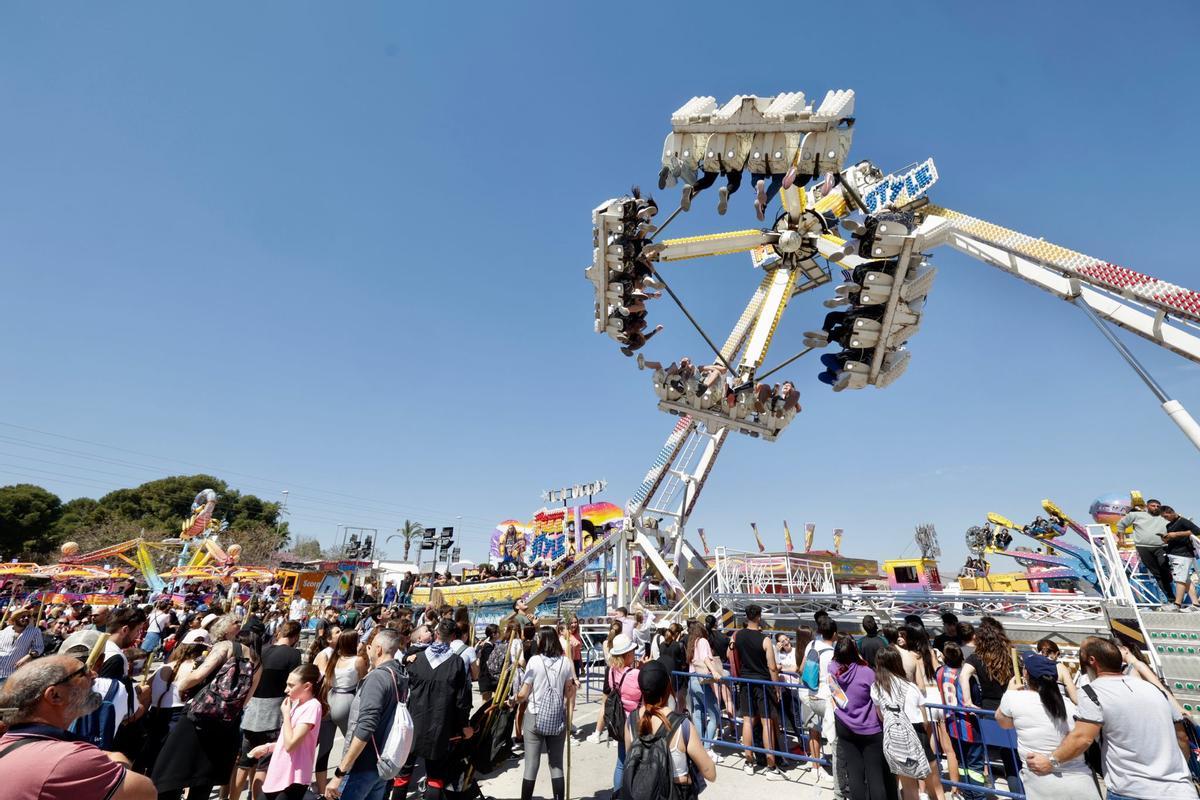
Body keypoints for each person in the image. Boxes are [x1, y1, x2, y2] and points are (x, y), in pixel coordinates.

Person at [1025, 636, 1195, 799]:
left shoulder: (1092, 693)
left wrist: (1051, 761)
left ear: (1092, 661)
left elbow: (1082, 738)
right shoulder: (1155, 690)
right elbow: (1182, 737)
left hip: (1132, 790)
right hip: (1180, 789)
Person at [0, 655, 157, 800]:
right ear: (55, 695)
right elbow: (145, 792)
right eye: (83, 672)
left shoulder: (8, 742)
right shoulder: (68, 759)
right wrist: (118, 759)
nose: (94, 675)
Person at [152, 614, 262, 800]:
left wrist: (181, 684)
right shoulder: (258, 661)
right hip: (227, 723)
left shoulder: (224, 647)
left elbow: (197, 677)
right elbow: (245, 700)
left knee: (169, 772)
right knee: (203, 780)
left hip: (199, 717)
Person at [996, 652, 1099, 800]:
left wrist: (1009, 691)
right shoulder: (1070, 706)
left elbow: (1003, 722)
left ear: (1026, 674)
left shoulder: (1013, 698)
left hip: (1041, 784)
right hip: (1081, 782)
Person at [325, 627, 406, 800]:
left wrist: (340, 773)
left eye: (371, 646)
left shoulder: (377, 678)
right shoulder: (399, 674)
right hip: (383, 761)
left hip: (364, 764)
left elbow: (365, 727)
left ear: (378, 649)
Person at [622, 660, 717, 798]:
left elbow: (630, 761)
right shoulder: (682, 725)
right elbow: (710, 773)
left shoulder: (631, 721)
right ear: (667, 687)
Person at [400, 619, 473, 800]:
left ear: (437, 634)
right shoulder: (456, 663)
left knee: (403, 773)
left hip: (413, 723)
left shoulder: (417, 659)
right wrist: (464, 725)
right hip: (439, 725)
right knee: (435, 775)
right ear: (454, 637)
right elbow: (461, 700)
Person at [233, 619, 303, 800]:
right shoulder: (294, 655)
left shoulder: (261, 650)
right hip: (274, 713)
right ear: (295, 636)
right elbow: (293, 685)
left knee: (244, 763)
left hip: (252, 710)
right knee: (264, 765)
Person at [511, 628, 577, 800]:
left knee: (531, 764)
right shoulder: (565, 662)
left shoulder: (534, 661)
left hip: (534, 714)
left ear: (542, 641)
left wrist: (513, 699)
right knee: (556, 764)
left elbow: (524, 693)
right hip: (557, 716)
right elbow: (568, 693)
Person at [871, 645, 943, 800]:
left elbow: (881, 715)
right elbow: (925, 720)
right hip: (917, 734)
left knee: (909, 788)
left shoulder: (876, 688)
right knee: (935, 786)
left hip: (895, 737)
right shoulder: (911, 687)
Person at [830, 636, 895, 800]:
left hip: (844, 724)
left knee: (854, 771)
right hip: (869, 728)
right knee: (875, 775)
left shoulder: (832, 669)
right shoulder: (867, 673)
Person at [731, 604, 782, 777]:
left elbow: (729, 652)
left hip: (745, 682)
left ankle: (748, 761)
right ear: (759, 617)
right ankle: (771, 765)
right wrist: (777, 687)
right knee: (766, 723)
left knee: (747, 721)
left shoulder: (737, 636)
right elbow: (772, 667)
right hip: (763, 683)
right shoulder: (765, 640)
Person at [800, 615, 837, 774]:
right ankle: (836, 770)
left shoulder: (811, 644)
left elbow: (802, 668)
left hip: (808, 691)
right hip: (825, 696)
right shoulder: (832, 653)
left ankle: (815, 765)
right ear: (834, 633)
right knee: (834, 735)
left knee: (813, 730)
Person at [607, 633, 643, 798]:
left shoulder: (612, 671)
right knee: (638, 762)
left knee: (621, 762)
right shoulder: (634, 675)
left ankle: (617, 794)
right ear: (627, 654)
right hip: (635, 721)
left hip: (620, 720)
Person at [1117, 498, 1174, 598]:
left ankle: (1169, 578)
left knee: (1163, 566)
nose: (1156, 508)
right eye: (1153, 506)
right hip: (1143, 547)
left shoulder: (1165, 517)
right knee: (1156, 573)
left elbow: (1178, 523)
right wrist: (1121, 539)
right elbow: (1121, 524)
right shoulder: (1136, 515)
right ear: (1147, 507)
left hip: (1162, 546)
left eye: (1158, 506)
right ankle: (1170, 597)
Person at [685, 621, 724, 765]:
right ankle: (707, 747)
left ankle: (700, 743)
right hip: (701, 681)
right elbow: (706, 658)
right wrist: (714, 671)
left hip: (692, 679)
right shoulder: (702, 641)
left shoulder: (692, 642)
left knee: (698, 712)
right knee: (715, 713)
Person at [1160, 505, 1200, 611]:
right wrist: (1167, 538)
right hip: (1174, 553)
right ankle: (1195, 605)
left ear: (1172, 512)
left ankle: (1177, 604)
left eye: (1166, 516)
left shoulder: (1183, 521)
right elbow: (1173, 538)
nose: (1165, 518)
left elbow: (1197, 531)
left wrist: (1176, 534)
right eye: (1163, 517)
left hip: (1183, 554)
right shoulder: (1169, 525)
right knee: (1185, 580)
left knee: (1180, 579)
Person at [0, 604, 44, 689]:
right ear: (15, 619)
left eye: (28, 616)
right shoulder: (4, 631)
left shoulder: (34, 631)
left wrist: (28, 656)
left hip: (14, 672)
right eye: (23, 616)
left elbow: (39, 648)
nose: (26, 618)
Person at [1034, 639, 1079, 705]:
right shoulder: (1060, 667)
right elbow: (1074, 696)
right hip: (1058, 707)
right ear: (1056, 653)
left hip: (1037, 704)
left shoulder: (1031, 665)